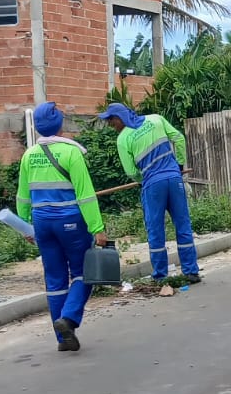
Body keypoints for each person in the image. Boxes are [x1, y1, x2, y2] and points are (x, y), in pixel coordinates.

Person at [17, 102, 108, 352]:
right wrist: (97, 228)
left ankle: (63, 339)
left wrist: (25, 227)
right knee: (84, 273)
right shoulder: (71, 153)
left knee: (55, 279)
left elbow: (22, 196)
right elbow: (85, 195)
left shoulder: (29, 155)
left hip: (41, 224)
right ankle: (68, 319)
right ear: (60, 124)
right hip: (71, 223)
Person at [99, 102, 200, 284]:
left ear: (120, 118)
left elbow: (131, 171)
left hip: (153, 185)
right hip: (174, 179)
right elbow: (179, 138)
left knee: (155, 230)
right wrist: (179, 165)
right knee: (183, 225)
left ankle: (160, 276)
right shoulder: (156, 119)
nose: (110, 124)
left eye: (111, 120)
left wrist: (143, 180)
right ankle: (191, 271)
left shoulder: (123, 139)